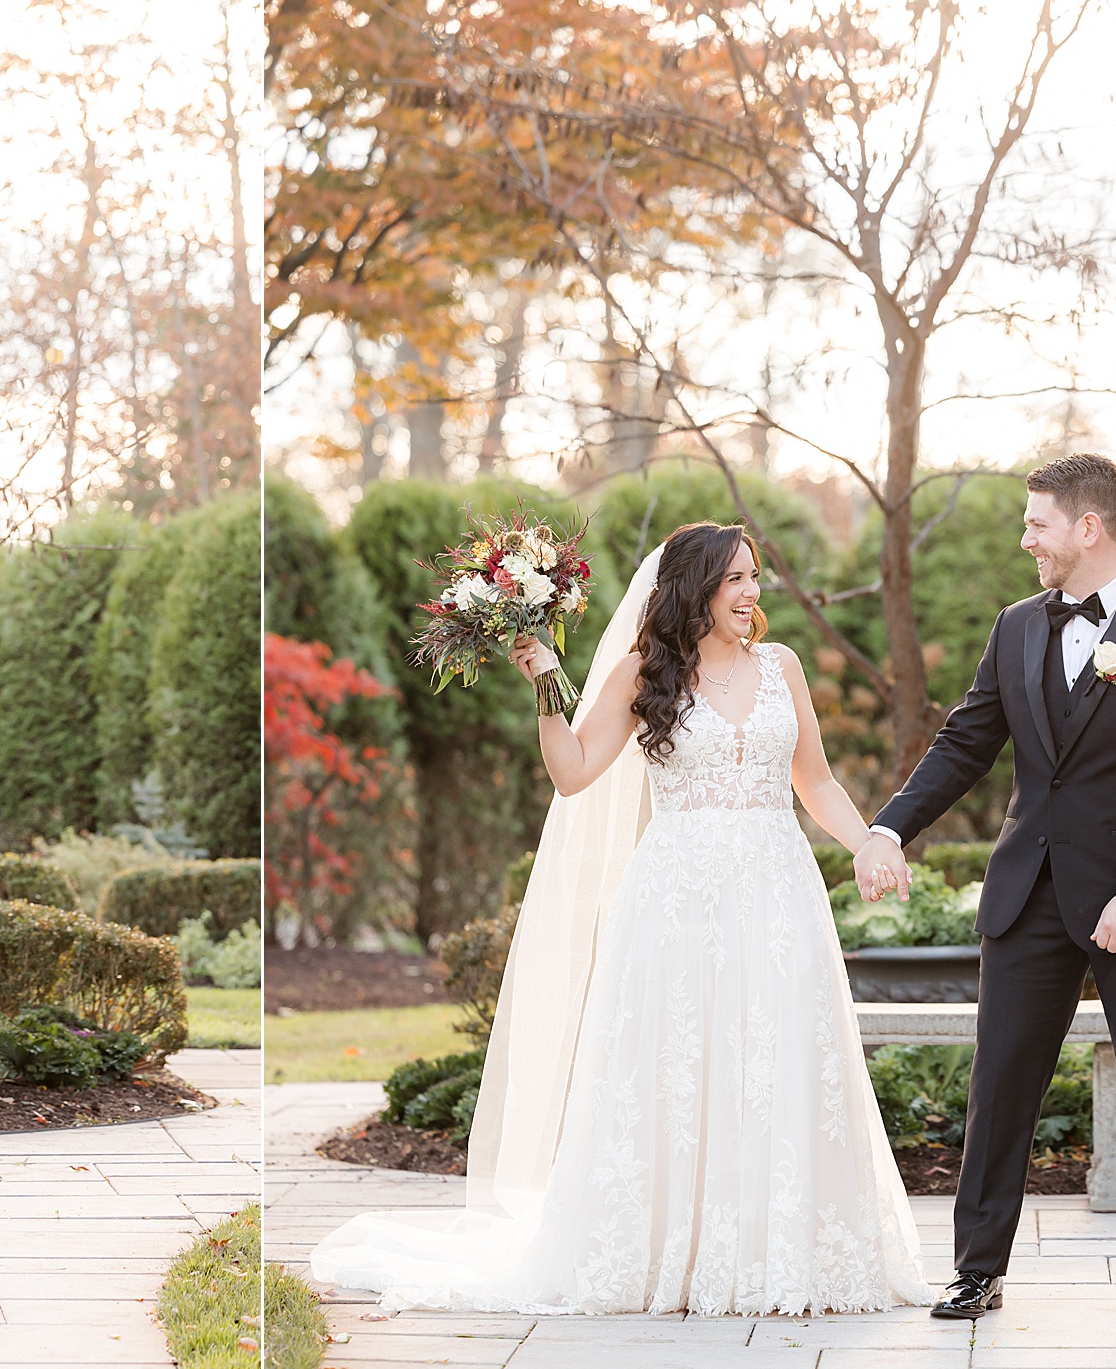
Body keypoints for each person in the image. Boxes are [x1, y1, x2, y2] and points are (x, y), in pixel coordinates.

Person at [310, 523, 927, 1315]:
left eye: (755, 578)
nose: (752, 593)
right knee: (679, 1068)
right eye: (735, 579)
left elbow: (817, 781)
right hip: (676, 903)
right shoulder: (645, 671)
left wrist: (870, 842)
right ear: (694, 587)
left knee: (777, 1059)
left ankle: (774, 1251)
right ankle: (672, 1250)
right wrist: (545, 681)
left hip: (777, 895)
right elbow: (572, 773)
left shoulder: (783, 668)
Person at [853, 452, 1116, 1322]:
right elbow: (965, 741)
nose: (1026, 538)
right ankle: (977, 1268)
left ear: (1087, 527)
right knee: (1002, 1085)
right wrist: (889, 823)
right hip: (1027, 896)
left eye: (1037, 523)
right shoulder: (1016, 626)